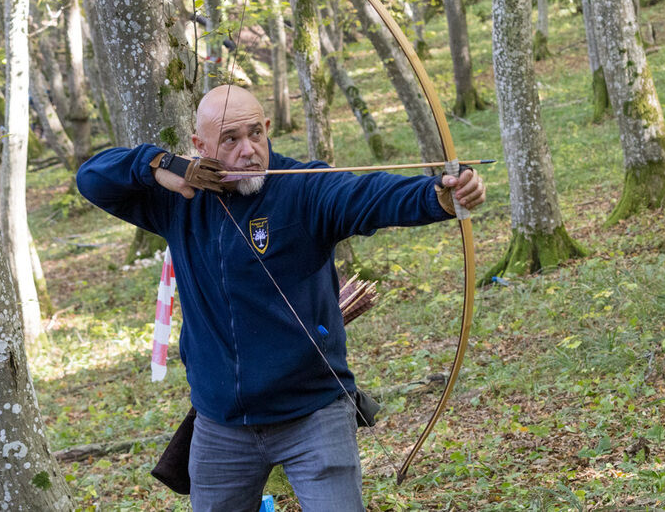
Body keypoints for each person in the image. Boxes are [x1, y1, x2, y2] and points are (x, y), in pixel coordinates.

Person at [76, 85, 486, 511]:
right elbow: (92, 177)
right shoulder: (179, 200)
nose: (248, 150)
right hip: (221, 425)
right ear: (198, 146)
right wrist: (157, 165)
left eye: (256, 133)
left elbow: (365, 196)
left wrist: (436, 196)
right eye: (230, 139)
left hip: (313, 414)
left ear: (268, 128)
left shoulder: (303, 189)